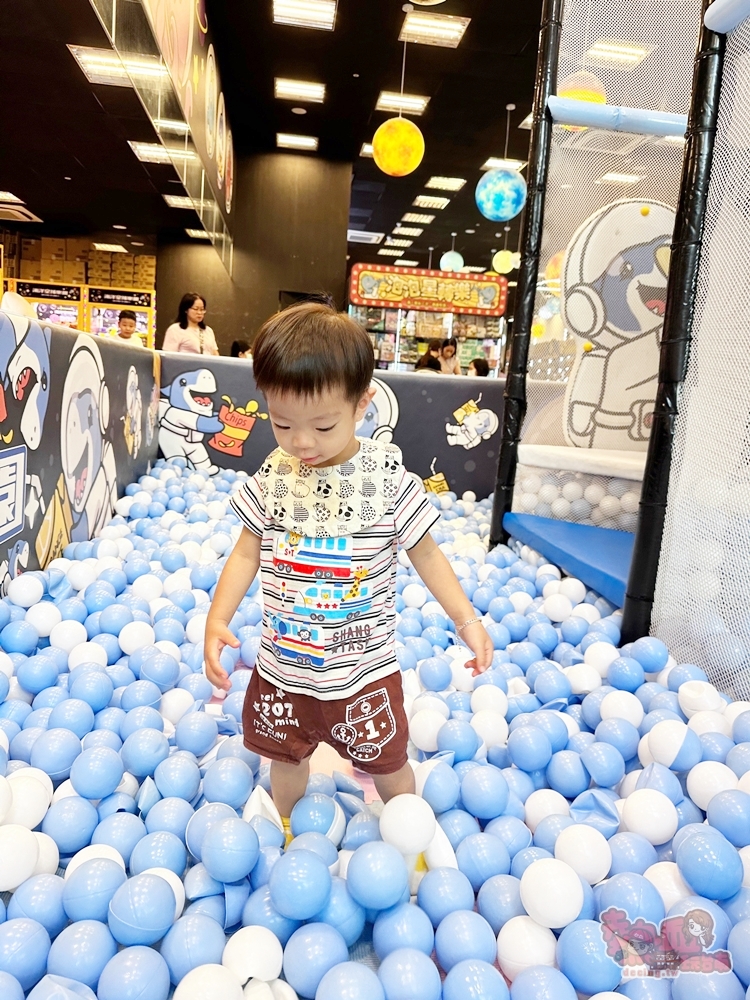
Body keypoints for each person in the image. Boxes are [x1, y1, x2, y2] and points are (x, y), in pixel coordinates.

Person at [204, 302, 493, 836]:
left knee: (388, 765)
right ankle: (287, 826)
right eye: (282, 422)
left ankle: (409, 833)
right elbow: (247, 549)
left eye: (323, 424)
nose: (301, 442)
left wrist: (466, 620)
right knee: (284, 760)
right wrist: (217, 617)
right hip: (283, 668)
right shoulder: (277, 476)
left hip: (361, 675)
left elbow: (426, 554)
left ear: (361, 405)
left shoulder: (387, 482)